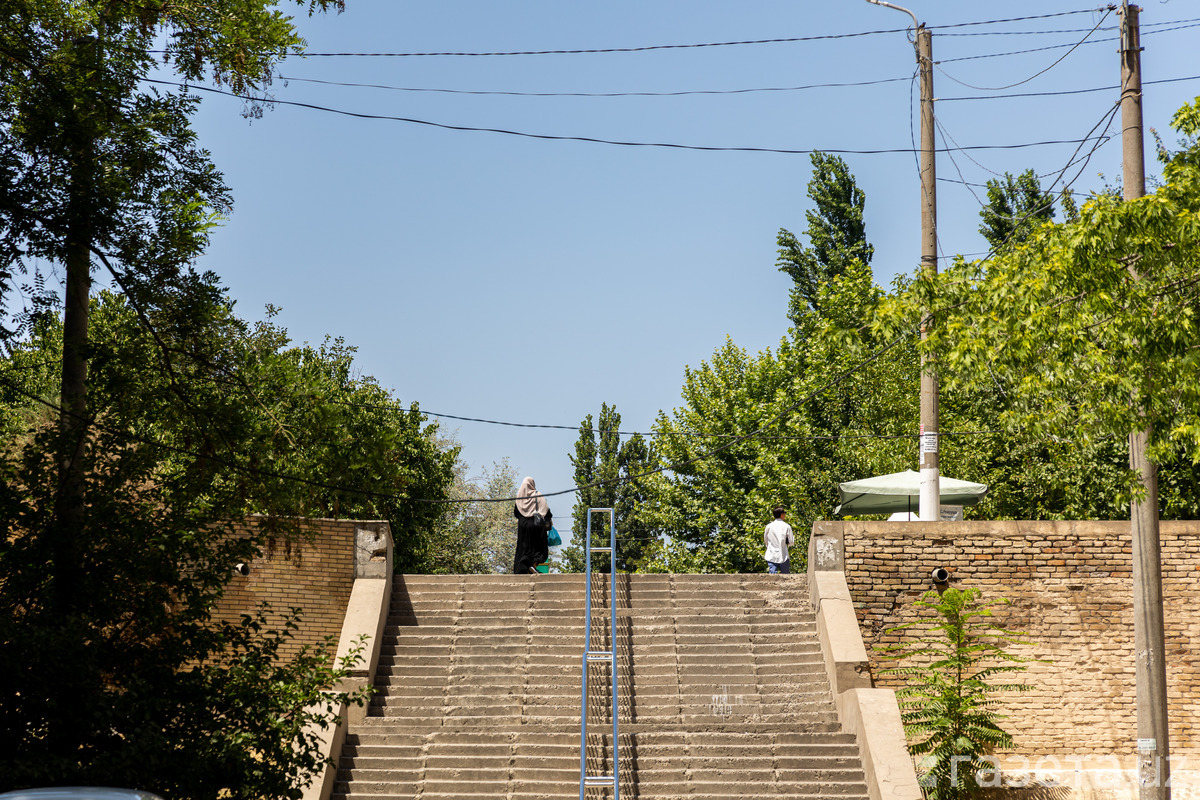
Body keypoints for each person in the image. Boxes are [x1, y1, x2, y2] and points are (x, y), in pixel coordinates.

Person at [513, 476, 553, 574]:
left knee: (523, 547)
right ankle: (532, 565)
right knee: (539, 548)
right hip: (536, 525)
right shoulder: (537, 495)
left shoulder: (519, 498)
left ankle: (524, 568)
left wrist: (525, 514)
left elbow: (516, 513)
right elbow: (547, 512)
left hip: (523, 526)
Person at [763, 506, 795, 574]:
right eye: (784, 513)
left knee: (772, 574)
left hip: (771, 553)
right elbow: (791, 541)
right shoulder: (786, 526)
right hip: (783, 554)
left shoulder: (769, 526)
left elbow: (765, 539)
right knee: (785, 575)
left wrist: (769, 545)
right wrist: (788, 543)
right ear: (782, 514)